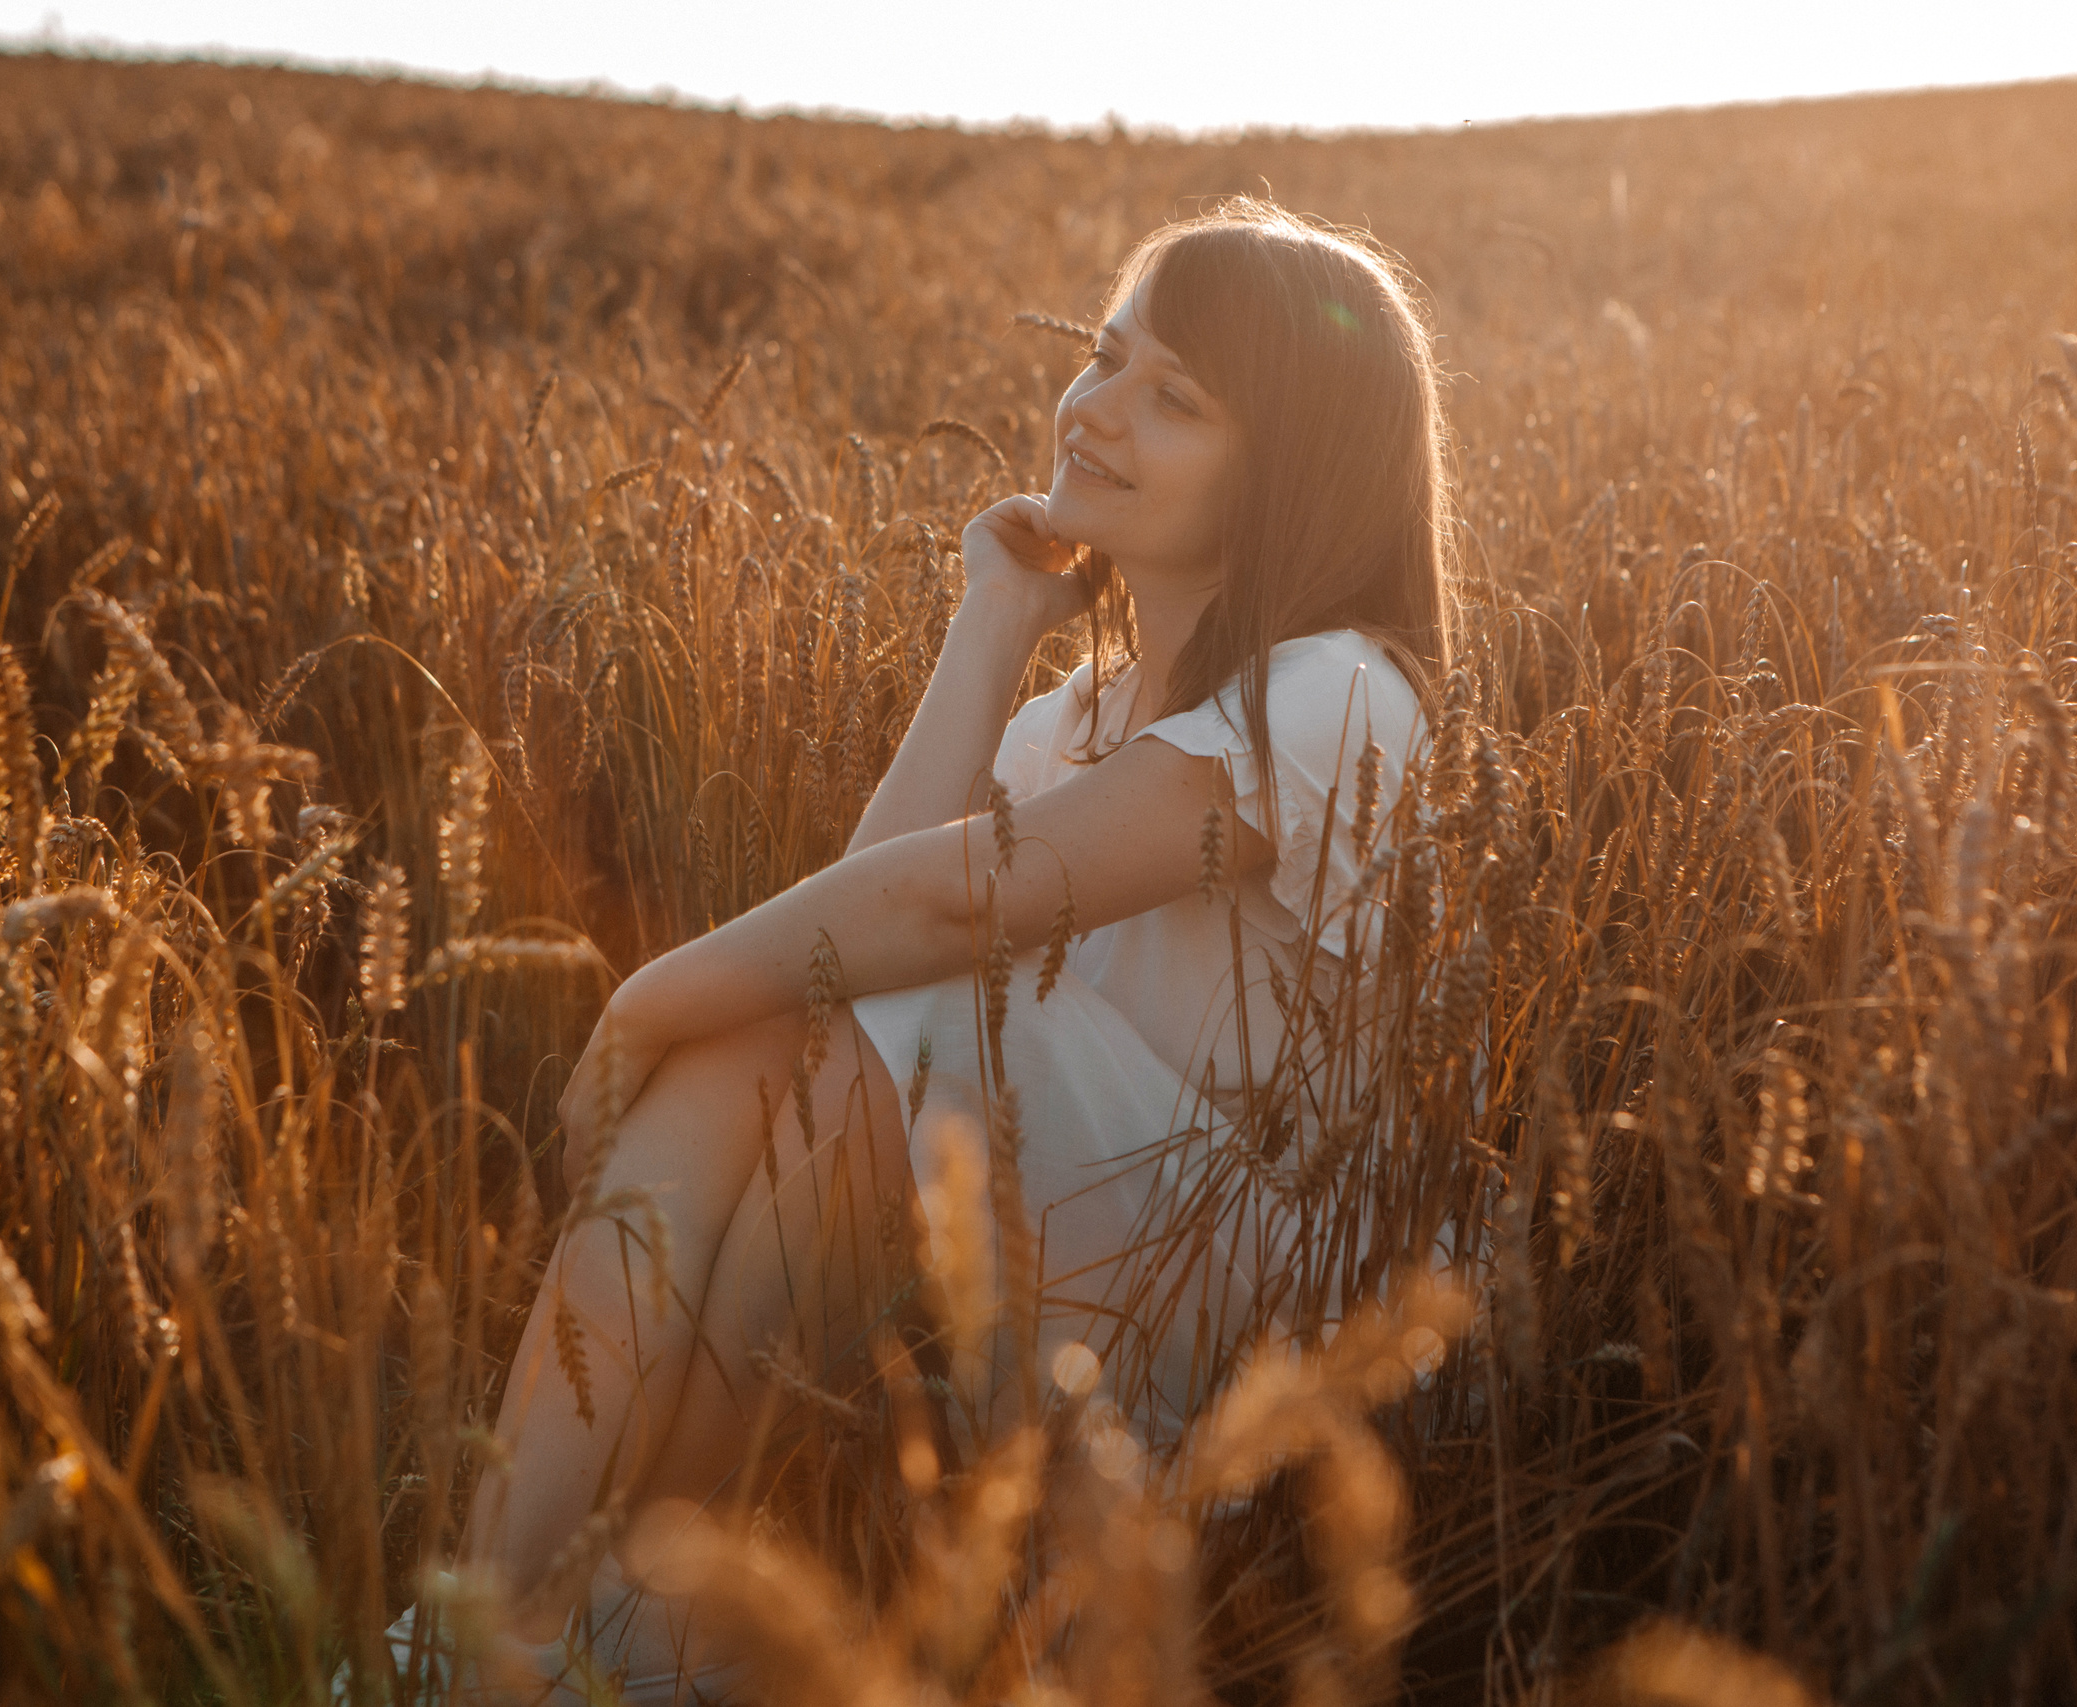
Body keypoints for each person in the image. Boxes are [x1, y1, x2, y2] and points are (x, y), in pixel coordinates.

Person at [382, 197, 1461, 1702]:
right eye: (1107, 355)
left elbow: (939, 914)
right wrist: (995, 621)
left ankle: (565, 1640)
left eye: (1177, 398)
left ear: (1293, 468)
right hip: (1078, 1233)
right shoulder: (1073, 721)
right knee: (772, 1032)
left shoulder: (1342, 694)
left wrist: (642, 999)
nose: (1096, 408)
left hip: (1264, 1308)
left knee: (868, 997)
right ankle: (489, 1632)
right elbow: (866, 910)